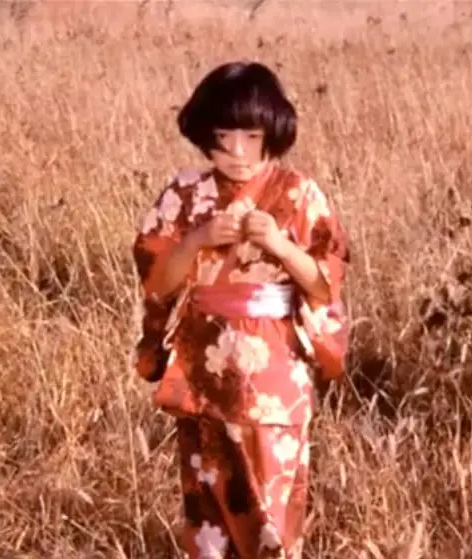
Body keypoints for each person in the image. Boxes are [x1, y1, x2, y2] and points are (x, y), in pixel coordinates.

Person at [132, 60, 351, 559]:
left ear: (272, 133)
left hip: (274, 373)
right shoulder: (184, 193)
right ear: (203, 134)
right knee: (208, 517)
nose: (236, 151)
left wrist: (282, 246)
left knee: (272, 516)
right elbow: (157, 281)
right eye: (224, 135)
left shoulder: (299, 193)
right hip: (202, 372)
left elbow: (324, 285)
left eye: (251, 136)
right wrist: (195, 241)